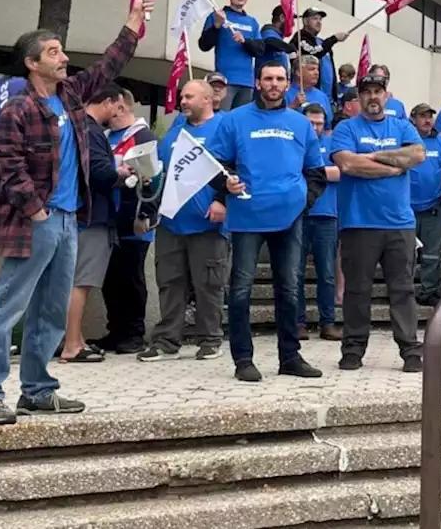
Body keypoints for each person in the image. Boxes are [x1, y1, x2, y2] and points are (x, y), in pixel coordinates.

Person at [0, 0, 152, 425]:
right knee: (9, 306)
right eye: (54, 52)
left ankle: (38, 391)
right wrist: (37, 212)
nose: (64, 57)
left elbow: (108, 66)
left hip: (70, 220)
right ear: (33, 63)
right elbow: (8, 166)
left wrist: (133, 23)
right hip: (39, 221)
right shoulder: (19, 109)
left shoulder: (69, 96)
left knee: (51, 308)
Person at [207, 62, 326, 381]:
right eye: (268, 78)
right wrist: (225, 183)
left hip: (290, 217)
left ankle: (290, 357)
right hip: (247, 216)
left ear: (288, 84)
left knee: (290, 288)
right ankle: (243, 360)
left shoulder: (301, 124)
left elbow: (316, 171)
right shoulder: (234, 119)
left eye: (280, 79)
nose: (274, 84)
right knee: (242, 288)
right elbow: (214, 164)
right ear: (257, 82)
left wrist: (305, 202)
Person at [330, 72, 426, 372]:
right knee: (357, 290)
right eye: (367, 91)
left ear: (387, 95)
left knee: (403, 289)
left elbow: (417, 154)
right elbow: (347, 163)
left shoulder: (402, 126)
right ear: (358, 97)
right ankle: (353, 349)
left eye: (378, 91)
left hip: (399, 223)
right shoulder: (346, 128)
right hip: (359, 223)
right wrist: (394, 166)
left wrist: (371, 157)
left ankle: (410, 349)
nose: (373, 96)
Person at [138, 80, 228, 362]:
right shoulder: (174, 134)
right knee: (169, 281)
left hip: (207, 223)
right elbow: (160, 177)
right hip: (171, 222)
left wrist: (222, 201)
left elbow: (240, 168)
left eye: (189, 96)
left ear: (207, 99)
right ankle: (167, 340)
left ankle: (210, 338)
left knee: (208, 283)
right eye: (182, 96)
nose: (183, 101)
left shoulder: (225, 128)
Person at [59, 84, 124, 363]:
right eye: (118, 106)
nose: (119, 112)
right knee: (82, 281)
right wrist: (120, 173)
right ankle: (72, 344)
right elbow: (98, 172)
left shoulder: (75, 126)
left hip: (77, 212)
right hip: (92, 215)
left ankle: (72, 338)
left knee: (70, 281)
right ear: (107, 102)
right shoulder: (91, 129)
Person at [95, 89, 158, 355]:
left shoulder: (143, 136)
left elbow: (153, 179)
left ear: (121, 106)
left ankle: (134, 332)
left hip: (134, 218)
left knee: (131, 278)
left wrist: (146, 214)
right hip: (110, 216)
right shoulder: (106, 137)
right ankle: (116, 330)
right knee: (110, 278)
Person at [298, 103, 342, 342]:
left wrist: (312, 171)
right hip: (299, 215)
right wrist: (325, 171)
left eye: (319, 123)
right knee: (295, 272)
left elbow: (342, 171)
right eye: (310, 123)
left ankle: (328, 322)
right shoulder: (297, 142)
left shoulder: (333, 143)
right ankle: (298, 323)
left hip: (327, 216)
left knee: (326, 273)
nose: (315, 127)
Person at [410, 103, 441, 306]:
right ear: (413, 119)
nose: (427, 120)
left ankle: (429, 291)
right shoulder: (406, 139)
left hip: (434, 207)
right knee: (405, 254)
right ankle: (405, 291)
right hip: (406, 208)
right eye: (422, 116)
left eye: (430, 116)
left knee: (431, 254)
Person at [197, 0, 262, 110]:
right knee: (222, 118)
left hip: (247, 82)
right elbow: (204, 45)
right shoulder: (218, 16)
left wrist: (245, 41)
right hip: (224, 81)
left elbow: (260, 50)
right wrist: (216, 25)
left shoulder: (252, 22)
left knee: (240, 123)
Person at [291, 6, 347, 102]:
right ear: (305, 21)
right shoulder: (299, 38)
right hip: (308, 96)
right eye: (315, 19)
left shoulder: (322, 42)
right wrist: (334, 39)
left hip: (328, 99)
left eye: (320, 19)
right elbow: (313, 53)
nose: (319, 22)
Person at [255, 6, 298, 78]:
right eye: (291, 19)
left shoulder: (278, 37)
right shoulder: (268, 31)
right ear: (282, 18)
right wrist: (288, 47)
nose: (293, 24)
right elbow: (269, 41)